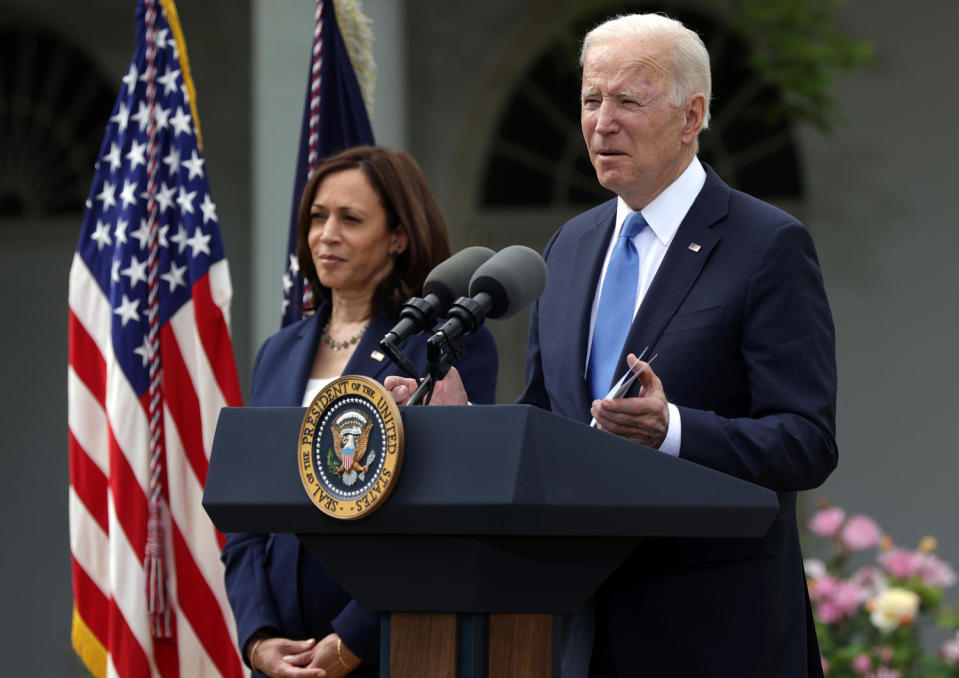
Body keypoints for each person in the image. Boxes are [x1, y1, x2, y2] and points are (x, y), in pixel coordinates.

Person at [386, 13, 837, 678]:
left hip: (714, 633)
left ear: (692, 117)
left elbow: (805, 442)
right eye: (591, 100)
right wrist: (467, 427)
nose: (602, 122)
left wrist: (673, 430)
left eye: (628, 100)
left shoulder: (765, 245)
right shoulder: (567, 248)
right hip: (580, 623)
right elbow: (549, 420)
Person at [222, 146, 498, 678]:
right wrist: (258, 639)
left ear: (398, 236)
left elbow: (444, 516)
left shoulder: (444, 346)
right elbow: (245, 518)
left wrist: (352, 640)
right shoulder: (277, 352)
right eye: (317, 217)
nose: (327, 234)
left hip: (392, 647)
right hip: (283, 652)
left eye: (351, 219)